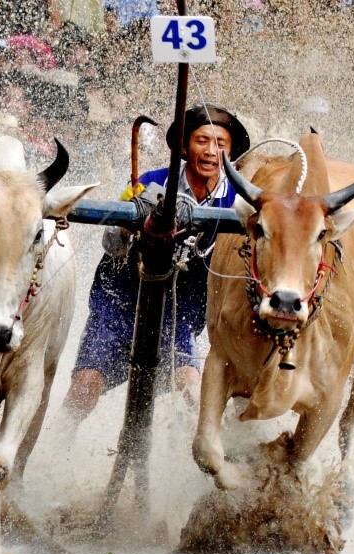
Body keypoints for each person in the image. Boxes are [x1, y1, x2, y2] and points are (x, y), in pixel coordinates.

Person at [60, 103, 250, 428]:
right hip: (120, 305)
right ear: (184, 147)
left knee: (191, 388)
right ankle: (52, 452)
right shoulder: (149, 183)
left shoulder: (239, 201)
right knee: (84, 389)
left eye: (220, 144)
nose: (210, 151)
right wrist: (129, 224)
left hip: (179, 314)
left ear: (230, 153)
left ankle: (202, 461)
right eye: (202, 140)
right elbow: (110, 243)